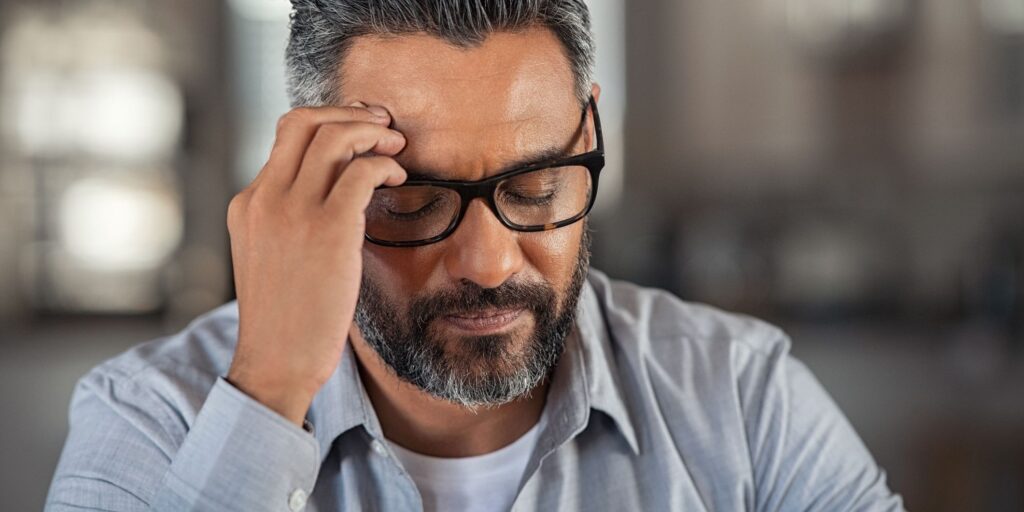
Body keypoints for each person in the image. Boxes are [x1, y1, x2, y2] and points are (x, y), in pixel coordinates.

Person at [46, 1, 904, 511]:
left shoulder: (745, 402)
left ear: (591, 132)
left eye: (536, 190)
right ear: (306, 177)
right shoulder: (147, 418)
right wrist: (269, 386)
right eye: (414, 200)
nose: (491, 263)